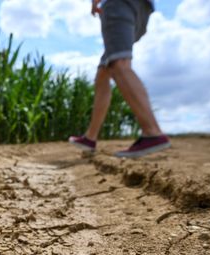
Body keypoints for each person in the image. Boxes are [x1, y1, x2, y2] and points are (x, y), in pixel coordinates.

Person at [69, 0, 170, 158]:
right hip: (142, 9)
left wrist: (95, 2)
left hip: (120, 4)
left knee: (119, 63)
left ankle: (152, 132)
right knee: (104, 71)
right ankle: (90, 137)